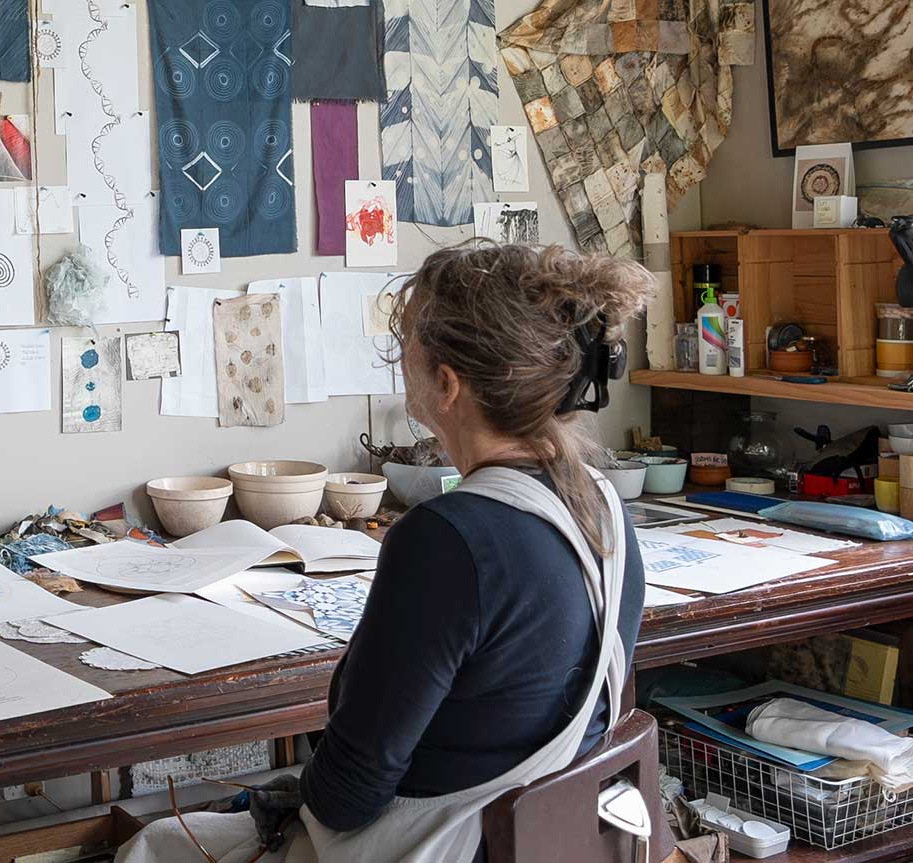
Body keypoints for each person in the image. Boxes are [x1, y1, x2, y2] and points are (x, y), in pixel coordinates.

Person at [118, 243, 652, 863]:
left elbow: (347, 797)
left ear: (446, 384)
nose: (400, 363)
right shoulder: (604, 506)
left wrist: (293, 794)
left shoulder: (447, 538)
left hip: (450, 848)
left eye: (407, 349)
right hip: (550, 844)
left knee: (155, 845)